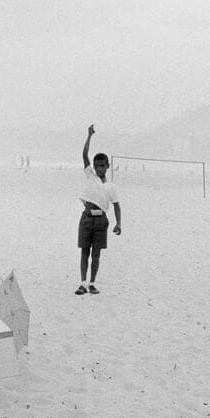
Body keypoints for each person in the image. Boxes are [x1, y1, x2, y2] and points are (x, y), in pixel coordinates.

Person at [75, 124, 121, 295]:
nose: (100, 168)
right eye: (97, 166)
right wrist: (89, 136)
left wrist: (119, 224)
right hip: (87, 218)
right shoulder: (91, 177)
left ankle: (92, 283)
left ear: (108, 166)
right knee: (84, 252)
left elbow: (117, 205)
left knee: (96, 254)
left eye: (102, 165)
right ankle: (82, 283)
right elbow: (84, 155)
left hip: (101, 220)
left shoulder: (111, 186)